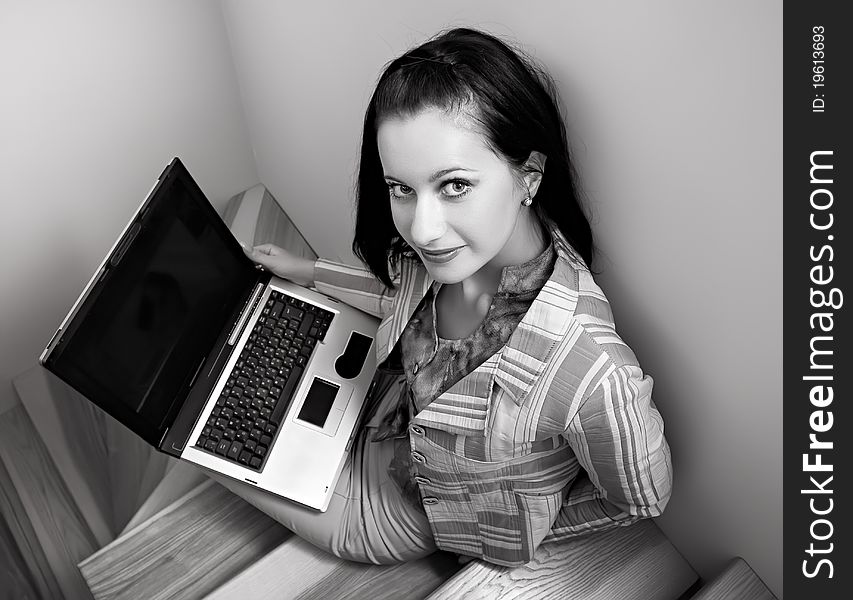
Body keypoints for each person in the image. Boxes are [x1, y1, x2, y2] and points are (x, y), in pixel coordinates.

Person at [214, 27, 672, 567]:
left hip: (391, 514)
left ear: (529, 175)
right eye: (401, 189)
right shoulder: (450, 259)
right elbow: (398, 300)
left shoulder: (592, 374)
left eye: (454, 185)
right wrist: (308, 271)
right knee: (224, 409)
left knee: (208, 444)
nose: (423, 230)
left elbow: (643, 498)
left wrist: (513, 534)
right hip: (370, 405)